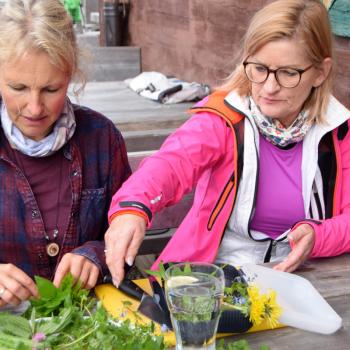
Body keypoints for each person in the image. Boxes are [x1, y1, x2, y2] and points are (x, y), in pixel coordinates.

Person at [105, 0, 350, 286]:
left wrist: (319, 237)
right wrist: (132, 208)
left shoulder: (338, 132)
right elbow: (171, 164)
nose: (269, 87)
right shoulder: (224, 118)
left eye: (288, 73)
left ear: (320, 72)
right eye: (259, 68)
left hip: (304, 279)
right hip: (211, 276)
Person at [0, 0, 130, 307]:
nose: (34, 108)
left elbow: (126, 230)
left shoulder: (101, 138)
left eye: (51, 89)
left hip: (87, 319)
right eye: (18, 87)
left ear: (70, 74)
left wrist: (96, 256)